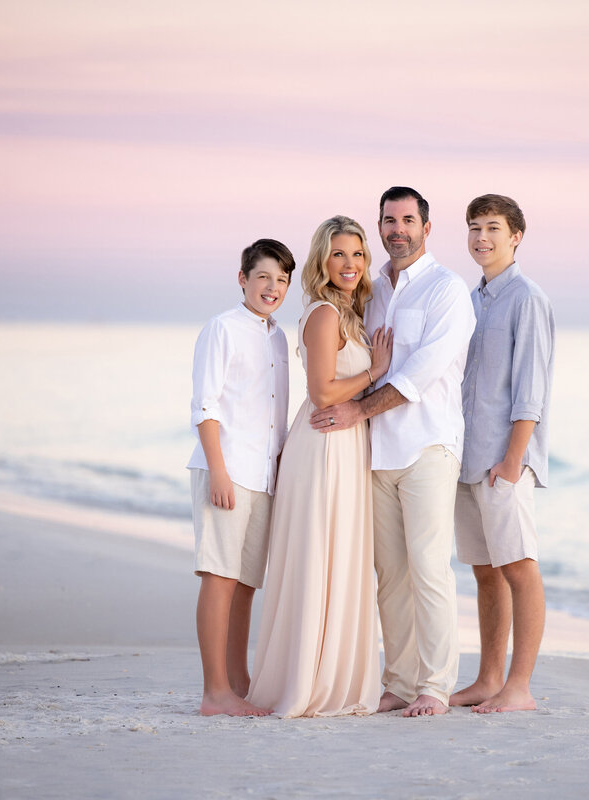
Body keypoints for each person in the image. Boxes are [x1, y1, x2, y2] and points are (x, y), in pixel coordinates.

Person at [310, 187, 475, 717]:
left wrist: (358, 410)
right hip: (376, 453)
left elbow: (422, 372)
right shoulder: (371, 288)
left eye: (407, 219)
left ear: (427, 226)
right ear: (379, 227)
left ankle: (436, 685)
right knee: (391, 575)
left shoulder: (448, 290)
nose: (397, 229)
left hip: (428, 445)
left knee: (429, 568)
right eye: (388, 220)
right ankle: (400, 682)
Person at [247, 216, 393, 717]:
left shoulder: (351, 314)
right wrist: (376, 370)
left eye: (357, 254)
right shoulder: (325, 314)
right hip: (326, 445)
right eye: (338, 255)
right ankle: (306, 681)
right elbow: (322, 392)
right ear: (321, 261)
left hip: (348, 445)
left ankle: (333, 676)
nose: (349, 264)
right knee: (319, 558)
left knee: (341, 557)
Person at [449, 194, 554, 713]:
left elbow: (530, 388)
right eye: (474, 227)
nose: (481, 237)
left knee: (519, 567)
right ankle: (489, 679)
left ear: (516, 236)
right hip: (467, 460)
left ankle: (520, 687)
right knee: (484, 571)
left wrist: (514, 459)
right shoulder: (470, 300)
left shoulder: (526, 298)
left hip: (503, 461)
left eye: (492, 227)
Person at [186, 238, 295, 716]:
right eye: (263, 277)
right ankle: (215, 692)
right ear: (243, 279)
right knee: (219, 577)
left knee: (246, 583)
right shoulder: (222, 328)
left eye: (282, 280)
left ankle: (237, 682)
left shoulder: (277, 337)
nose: (272, 288)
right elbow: (205, 406)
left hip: (262, 477)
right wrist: (218, 472)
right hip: (226, 469)